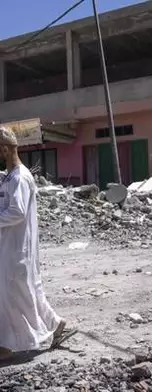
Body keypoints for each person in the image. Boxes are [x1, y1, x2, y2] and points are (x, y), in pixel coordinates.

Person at [0, 127, 75, 360]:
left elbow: (17, 212)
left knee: (11, 297)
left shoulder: (20, 177)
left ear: (4, 149)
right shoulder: (12, 176)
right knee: (29, 291)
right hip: (14, 247)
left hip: (15, 249)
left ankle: (7, 346)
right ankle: (57, 323)